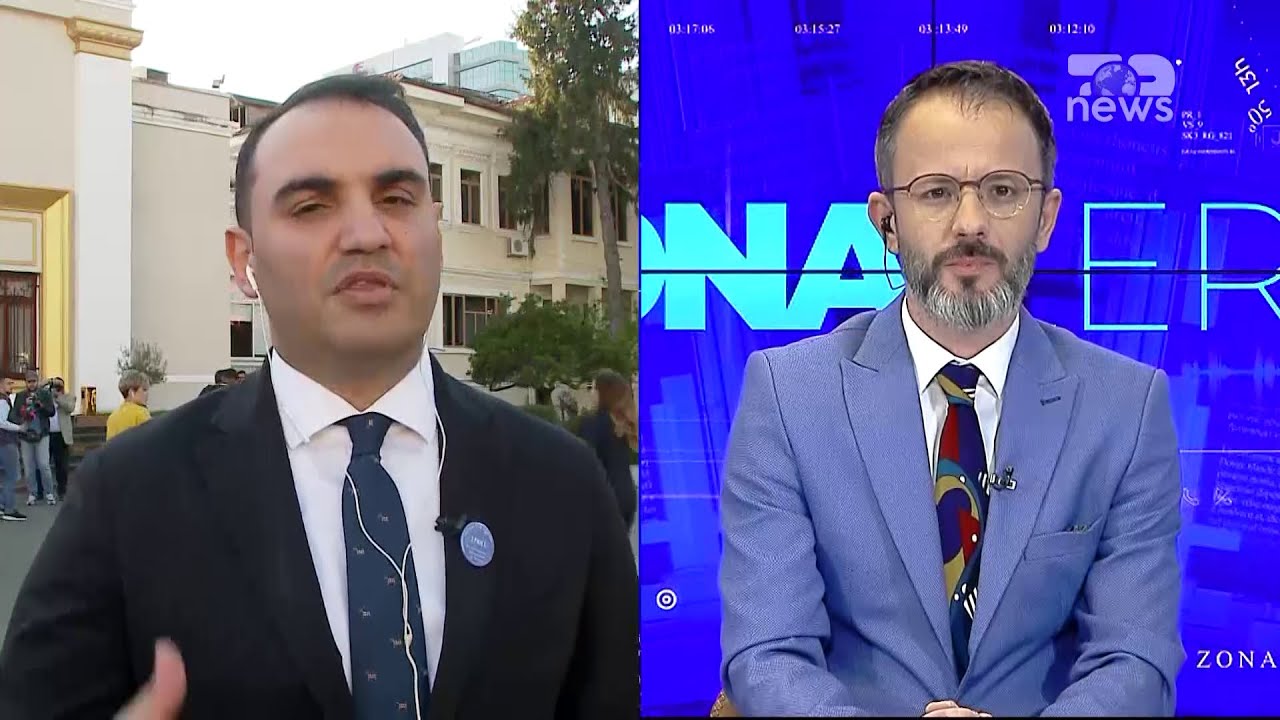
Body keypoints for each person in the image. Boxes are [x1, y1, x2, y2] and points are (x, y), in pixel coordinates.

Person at [0, 74, 638, 719]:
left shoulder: (560, 481)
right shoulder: (129, 494)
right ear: (243, 260)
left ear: (435, 230)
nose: (366, 233)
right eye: (311, 207)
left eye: (396, 199)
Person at [718, 61, 1183, 717]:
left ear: (1046, 218)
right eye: (935, 192)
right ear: (886, 221)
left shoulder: (1127, 409)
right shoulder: (788, 397)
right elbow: (768, 654)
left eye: (1002, 190)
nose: (970, 222)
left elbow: (1135, 660)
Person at [576, 369, 639, 530]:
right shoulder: (623, 424)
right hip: (627, 497)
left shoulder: (591, 423)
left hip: (604, 499)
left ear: (603, 393)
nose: (591, 393)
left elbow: (584, 463)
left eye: (593, 388)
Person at [10, 371, 56, 506]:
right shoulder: (20, 396)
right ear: (26, 382)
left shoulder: (44, 394)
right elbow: (13, 415)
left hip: (42, 434)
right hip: (26, 436)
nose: (31, 384)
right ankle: (32, 493)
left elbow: (52, 412)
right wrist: (22, 419)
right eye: (29, 382)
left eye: (34, 381)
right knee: (29, 467)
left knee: (44, 465)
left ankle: (49, 493)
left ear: (37, 381)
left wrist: (41, 405)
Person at [0, 387, 27, 521]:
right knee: (11, 476)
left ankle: (2, 505)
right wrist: (19, 428)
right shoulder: (2, 401)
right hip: (6, 442)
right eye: (8, 383)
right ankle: (9, 509)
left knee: (6, 475)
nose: (11, 385)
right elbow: (2, 422)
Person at [47, 377, 75, 499]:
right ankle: (44, 491)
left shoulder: (69, 397)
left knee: (61, 465)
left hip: (61, 435)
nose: (56, 389)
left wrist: (58, 398)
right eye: (55, 387)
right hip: (47, 434)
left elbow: (70, 408)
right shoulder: (47, 398)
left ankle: (62, 490)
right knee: (44, 464)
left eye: (59, 387)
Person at [105, 371, 153, 441]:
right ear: (131, 392)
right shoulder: (141, 413)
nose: (147, 394)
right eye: (144, 390)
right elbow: (151, 440)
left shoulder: (112, 417)